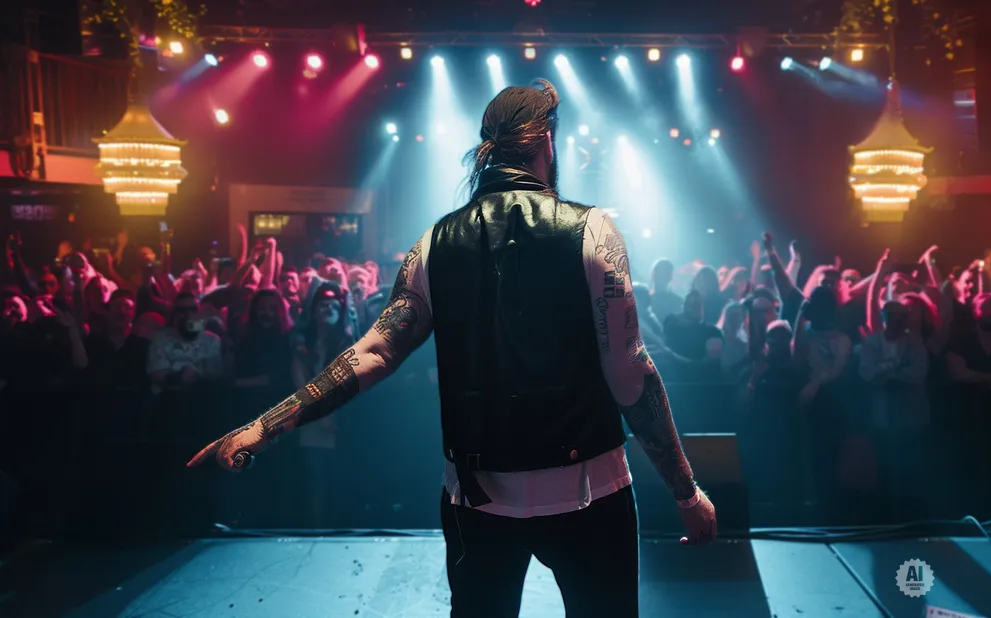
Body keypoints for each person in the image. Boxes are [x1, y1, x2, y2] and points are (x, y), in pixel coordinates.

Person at [188, 79, 716, 618]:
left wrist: (263, 425)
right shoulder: (593, 231)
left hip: (477, 498)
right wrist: (685, 491)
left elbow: (373, 352)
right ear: (547, 141)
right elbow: (631, 374)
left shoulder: (434, 243)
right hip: (590, 491)